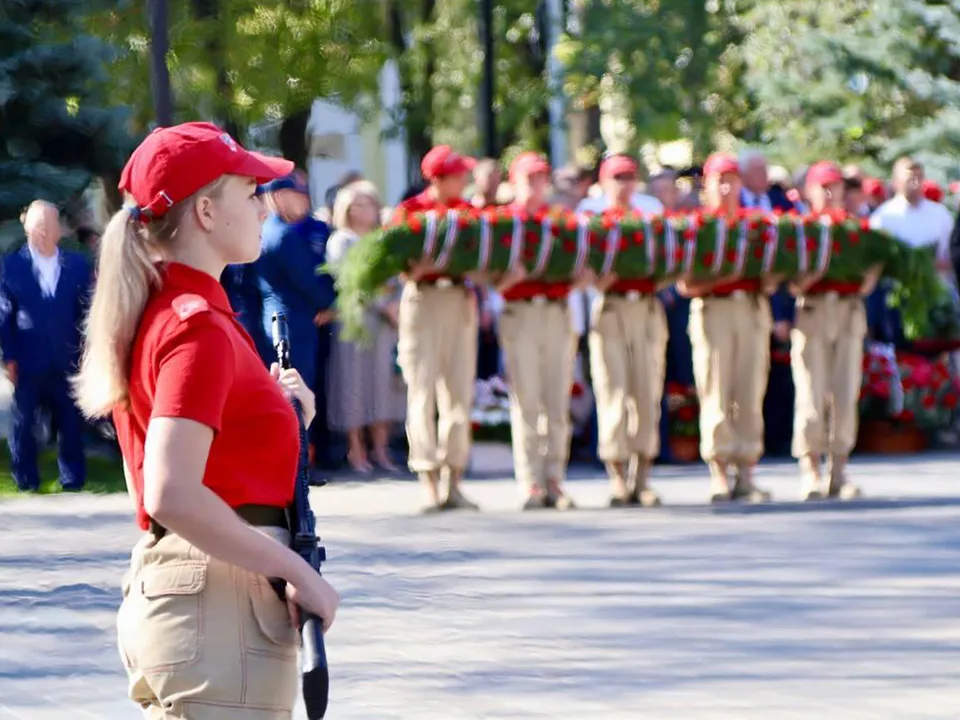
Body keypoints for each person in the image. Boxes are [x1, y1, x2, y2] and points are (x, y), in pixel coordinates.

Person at [70, 122, 339, 718]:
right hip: (219, 601)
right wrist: (297, 570)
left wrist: (289, 416)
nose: (264, 205)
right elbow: (172, 492)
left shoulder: (169, 310)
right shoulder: (195, 323)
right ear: (207, 212)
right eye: (250, 193)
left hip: (203, 598)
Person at [678, 152, 773, 503]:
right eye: (718, 180)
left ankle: (747, 470)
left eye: (731, 179)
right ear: (705, 186)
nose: (725, 187)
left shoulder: (755, 224)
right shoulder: (697, 227)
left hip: (749, 308)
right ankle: (719, 470)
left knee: (749, 389)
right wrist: (723, 276)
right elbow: (685, 286)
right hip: (713, 308)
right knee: (715, 388)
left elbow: (772, 274)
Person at [391, 145, 480, 512]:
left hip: (459, 298)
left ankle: (454, 480)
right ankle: (428, 478)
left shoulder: (470, 213)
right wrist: (415, 268)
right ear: (439, 179)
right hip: (422, 299)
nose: (464, 180)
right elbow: (396, 264)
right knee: (422, 388)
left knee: (458, 390)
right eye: (458, 175)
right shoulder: (410, 212)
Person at [789, 161, 878, 500]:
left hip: (847, 309)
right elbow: (790, 283)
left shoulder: (857, 229)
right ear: (809, 191)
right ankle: (811, 468)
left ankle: (839, 469)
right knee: (812, 391)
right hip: (813, 309)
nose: (829, 193)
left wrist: (867, 278)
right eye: (822, 186)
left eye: (835, 186)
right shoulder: (802, 228)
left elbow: (871, 273)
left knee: (844, 390)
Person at [496, 152, 578, 511]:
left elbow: (580, 260)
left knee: (557, 400)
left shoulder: (561, 221)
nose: (536, 184)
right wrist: (506, 279)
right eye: (528, 178)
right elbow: (488, 277)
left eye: (541, 178)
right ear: (514, 181)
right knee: (527, 399)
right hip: (522, 313)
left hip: (557, 312)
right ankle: (530, 480)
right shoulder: (504, 222)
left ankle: (555, 478)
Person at [587, 154, 668, 506]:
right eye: (617, 177)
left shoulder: (648, 215)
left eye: (630, 177)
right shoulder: (593, 216)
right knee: (613, 390)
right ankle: (617, 475)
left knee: (647, 391)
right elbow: (586, 270)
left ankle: (643, 475)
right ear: (604, 182)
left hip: (646, 305)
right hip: (612, 306)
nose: (624, 184)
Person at [0, 201, 91, 491]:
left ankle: (72, 478)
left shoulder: (77, 265)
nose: (42, 232)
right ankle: (26, 479)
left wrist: (88, 353)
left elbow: (88, 310)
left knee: (71, 420)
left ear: (58, 231)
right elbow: (4, 315)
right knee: (23, 421)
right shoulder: (11, 266)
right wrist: (9, 357)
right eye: (37, 227)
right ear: (27, 229)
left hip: (68, 356)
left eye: (48, 226)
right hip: (28, 359)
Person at [326, 180, 405, 473]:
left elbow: (397, 277)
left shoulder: (383, 239)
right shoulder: (341, 241)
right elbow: (349, 281)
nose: (364, 209)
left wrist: (396, 304)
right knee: (355, 385)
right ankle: (356, 450)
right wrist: (381, 305)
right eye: (357, 204)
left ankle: (382, 450)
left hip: (386, 325)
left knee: (383, 386)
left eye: (369, 203)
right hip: (356, 322)